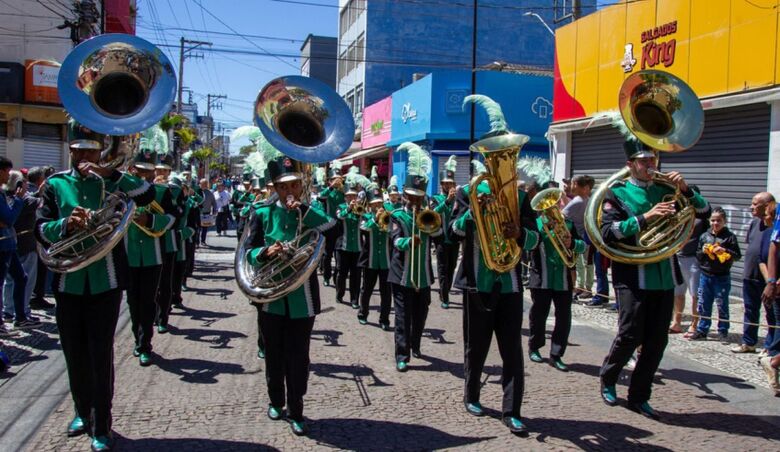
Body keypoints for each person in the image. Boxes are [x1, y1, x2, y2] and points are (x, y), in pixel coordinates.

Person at [35, 119, 156, 451]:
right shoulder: (55, 185)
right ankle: (80, 410)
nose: (86, 156)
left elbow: (148, 195)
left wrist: (110, 174)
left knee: (100, 354)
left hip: (106, 280)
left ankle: (101, 425)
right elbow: (40, 228)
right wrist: (66, 225)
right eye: (80, 151)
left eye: (93, 150)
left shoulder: (113, 184)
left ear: (101, 151)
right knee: (74, 353)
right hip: (68, 279)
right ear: (71, 151)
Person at [598, 139, 709, 420]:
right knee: (630, 333)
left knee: (657, 341)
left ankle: (639, 396)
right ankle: (609, 378)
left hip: (663, 274)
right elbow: (609, 232)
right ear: (630, 165)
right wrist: (646, 217)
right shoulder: (617, 193)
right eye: (643, 161)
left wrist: (685, 190)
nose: (650, 165)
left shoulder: (669, 189)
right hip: (632, 275)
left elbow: (704, 211)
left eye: (653, 160)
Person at [246, 152, 337, 436]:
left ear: (302, 184)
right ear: (274, 186)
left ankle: (297, 408)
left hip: (303, 300)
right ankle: (276, 400)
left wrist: (305, 209)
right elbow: (246, 252)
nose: (289, 191)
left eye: (294, 185)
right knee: (274, 354)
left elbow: (334, 229)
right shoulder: (262, 213)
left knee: (299, 357)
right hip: (271, 298)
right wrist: (265, 252)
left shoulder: (311, 212)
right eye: (283, 186)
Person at [388, 143, 442, 372]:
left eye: (419, 197)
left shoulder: (428, 215)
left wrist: (433, 224)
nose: (415, 201)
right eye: (412, 196)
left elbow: (440, 234)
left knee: (421, 314)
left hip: (423, 276)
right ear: (405, 195)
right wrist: (409, 242)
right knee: (402, 317)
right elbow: (395, 241)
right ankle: (403, 354)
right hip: (402, 275)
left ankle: (416, 344)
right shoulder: (398, 216)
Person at [124, 149, 174, 366]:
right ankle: (138, 338)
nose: (144, 176)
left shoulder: (161, 192)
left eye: (148, 172)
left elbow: (173, 218)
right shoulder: (122, 192)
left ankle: (145, 345)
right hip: (128, 255)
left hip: (153, 256)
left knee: (148, 300)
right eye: (140, 171)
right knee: (132, 302)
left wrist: (151, 221)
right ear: (132, 169)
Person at [528, 197, 586, 371]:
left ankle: (556, 354)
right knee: (539, 314)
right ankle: (535, 347)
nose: (551, 207)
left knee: (564, 318)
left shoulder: (568, 224)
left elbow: (583, 246)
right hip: (541, 277)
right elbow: (528, 244)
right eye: (547, 205)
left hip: (563, 278)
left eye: (554, 203)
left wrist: (573, 243)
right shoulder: (535, 223)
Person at [689, 207, 741, 342]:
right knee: (704, 304)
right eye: (713, 220)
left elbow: (737, 256)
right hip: (705, 275)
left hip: (722, 276)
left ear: (724, 221)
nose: (715, 223)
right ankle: (702, 329)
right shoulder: (704, 236)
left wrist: (724, 250)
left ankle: (723, 331)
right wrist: (705, 251)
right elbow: (698, 255)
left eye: (718, 220)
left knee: (722, 304)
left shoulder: (730, 237)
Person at [732, 192, 775, 352]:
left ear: (768, 205)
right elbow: (752, 246)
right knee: (750, 309)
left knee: (771, 314)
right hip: (750, 275)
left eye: (755, 204)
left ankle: (771, 347)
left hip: (767, 278)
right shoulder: (754, 223)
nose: (751, 207)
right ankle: (749, 342)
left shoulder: (775, 225)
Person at [2, 170, 41, 328]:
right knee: (23, 279)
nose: (26, 183)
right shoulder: (22, 200)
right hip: (18, 244)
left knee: (14, 279)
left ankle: (13, 313)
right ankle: (20, 312)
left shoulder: (6, 198)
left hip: (12, 244)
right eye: (23, 181)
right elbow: (9, 219)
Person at [671, 185, 711, 336]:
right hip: (677, 257)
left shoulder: (702, 218)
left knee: (695, 294)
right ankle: (677, 322)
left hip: (693, 259)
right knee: (678, 292)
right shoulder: (679, 215)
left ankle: (695, 324)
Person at [154, 154, 184, 335]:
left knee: (165, 283)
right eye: (159, 170)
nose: (161, 173)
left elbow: (179, 212)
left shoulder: (174, 188)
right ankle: (152, 315)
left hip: (168, 241)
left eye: (164, 170)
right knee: (150, 286)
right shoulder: (145, 187)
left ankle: (163, 318)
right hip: (147, 242)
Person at [357, 184, 391, 329]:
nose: (377, 206)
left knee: (386, 293)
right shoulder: (365, 216)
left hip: (386, 261)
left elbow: (393, 231)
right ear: (370, 205)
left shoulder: (390, 216)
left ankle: (384, 319)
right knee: (366, 290)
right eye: (374, 203)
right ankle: (363, 314)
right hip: (369, 260)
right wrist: (376, 219)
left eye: (379, 203)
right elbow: (363, 228)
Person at [431, 156, 460, 309]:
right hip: (441, 238)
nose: (448, 186)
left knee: (451, 268)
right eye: (445, 184)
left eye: (450, 183)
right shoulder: (435, 198)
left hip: (454, 240)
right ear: (441, 184)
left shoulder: (459, 199)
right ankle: (445, 297)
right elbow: (433, 213)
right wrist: (447, 201)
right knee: (442, 268)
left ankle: (445, 291)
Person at [562, 175, 595, 301]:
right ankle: (586, 287)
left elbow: (562, 215)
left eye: (573, 184)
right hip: (587, 235)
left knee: (581, 264)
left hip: (579, 236)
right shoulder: (588, 199)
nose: (571, 186)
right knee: (588, 263)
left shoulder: (577, 201)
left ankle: (582, 287)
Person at [30, 166, 56, 310]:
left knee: (41, 270)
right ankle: (35, 297)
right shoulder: (32, 193)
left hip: (41, 239)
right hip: (32, 239)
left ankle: (38, 296)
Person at [335, 182, 363, 308]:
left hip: (357, 247)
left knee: (356, 275)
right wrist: (349, 208)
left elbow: (365, 222)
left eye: (354, 196)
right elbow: (340, 216)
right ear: (345, 197)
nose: (352, 198)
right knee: (342, 273)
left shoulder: (361, 207)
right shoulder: (341, 206)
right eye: (349, 196)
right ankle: (340, 294)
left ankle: (354, 299)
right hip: (343, 246)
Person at [318, 162, 345, 287]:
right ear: (330, 181)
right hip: (329, 225)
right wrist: (331, 187)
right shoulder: (327, 191)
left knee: (339, 255)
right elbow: (320, 196)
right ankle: (327, 277)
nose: (337, 181)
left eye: (338, 179)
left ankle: (337, 278)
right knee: (327, 254)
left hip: (341, 225)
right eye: (334, 179)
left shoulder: (344, 192)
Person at [197, 178, 216, 246]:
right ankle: (197, 242)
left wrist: (214, 211)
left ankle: (203, 241)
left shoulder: (209, 193)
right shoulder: (197, 192)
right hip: (198, 213)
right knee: (198, 228)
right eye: (202, 184)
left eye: (205, 184)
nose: (203, 185)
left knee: (205, 228)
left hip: (206, 213)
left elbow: (214, 202)